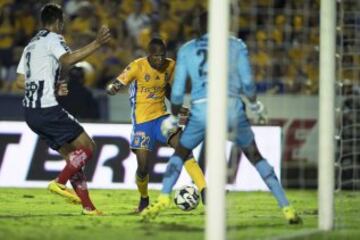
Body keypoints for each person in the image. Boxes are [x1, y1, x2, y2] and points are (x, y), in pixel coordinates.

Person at [141, 12, 302, 224]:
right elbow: (248, 83)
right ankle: (286, 208)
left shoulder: (187, 49)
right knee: (255, 156)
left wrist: (173, 116)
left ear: (198, 28)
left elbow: (178, 92)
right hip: (231, 107)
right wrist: (254, 104)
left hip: (201, 110)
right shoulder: (237, 46)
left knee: (180, 153)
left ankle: (163, 198)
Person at [15, 3, 111, 215]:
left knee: (73, 160)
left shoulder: (31, 45)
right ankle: (59, 182)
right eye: (63, 22)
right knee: (88, 147)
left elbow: (21, 81)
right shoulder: (53, 38)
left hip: (31, 114)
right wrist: (96, 43)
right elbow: (68, 59)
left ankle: (88, 207)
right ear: (58, 22)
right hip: (47, 109)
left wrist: (52, 85)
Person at [106, 38, 206, 213]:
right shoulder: (137, 66)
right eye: (156, 56)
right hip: (142, 123)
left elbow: (166, 87)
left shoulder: (170, 65)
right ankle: (144, 199)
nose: (160, 59)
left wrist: (179, 108)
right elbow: (117, 83)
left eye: (162, 55)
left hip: (162, 118)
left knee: (184, 148)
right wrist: (112, 88)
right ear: (148, 55)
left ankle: (205, 191)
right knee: (143, 168)